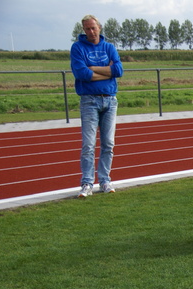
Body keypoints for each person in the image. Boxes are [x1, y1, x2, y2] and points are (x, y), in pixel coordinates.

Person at [70, 15, 123, 198]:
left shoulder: (108, 47)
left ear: (99, 27)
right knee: (88, 145)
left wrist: (93, 68)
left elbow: (119, 70)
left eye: (93, 28)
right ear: (84, 30)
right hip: (89, 100)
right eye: (87, 29)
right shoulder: (78, 48)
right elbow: (81, 73)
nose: (91, 32)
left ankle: (105, 180)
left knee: (108, 143)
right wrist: (107, 73)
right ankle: (86, 183)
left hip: (110, 99)